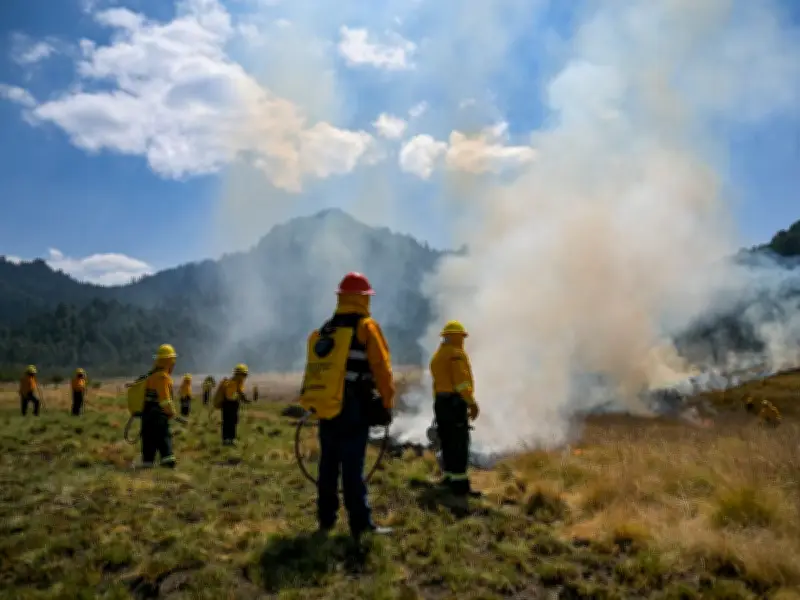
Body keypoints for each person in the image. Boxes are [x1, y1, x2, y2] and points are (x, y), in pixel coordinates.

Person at [299, 272, 395, 541]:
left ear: (341, 297)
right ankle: (361, 526)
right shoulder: (366, 327)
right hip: (354, 406)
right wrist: (387, 402)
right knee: (353, 465)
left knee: (328, 463)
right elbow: (382, 369)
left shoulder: (327, 329)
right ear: (363, 298)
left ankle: (326, 520)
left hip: (328, 404)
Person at [429, 320, 481, 498]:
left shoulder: (439, 355)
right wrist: (471, 402)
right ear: (456, 337)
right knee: (459, 443)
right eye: (461, 337)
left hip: (441, 404)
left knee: (447, 442)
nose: (463, 341)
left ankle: (449, 478)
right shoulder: (456, 354)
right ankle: (460, 487)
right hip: (454, 403)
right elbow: (461, 382)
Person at [140, 344, 179, 468]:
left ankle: (147, 462)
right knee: (163, 437)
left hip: (146, 414)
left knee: (148, 439)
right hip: (158, 415)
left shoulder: (150, 376)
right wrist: (171, 413)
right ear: (169, 361)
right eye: (173, 361)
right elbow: (165, 400)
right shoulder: (163, 377)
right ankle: (168, 462)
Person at [217, 364, 250, 446]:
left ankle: (230, 439)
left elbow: (240, 392)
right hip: (229, 405)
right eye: (244, 374)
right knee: (229, 422)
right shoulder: (232, 383)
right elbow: (230, 396)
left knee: (233, 422)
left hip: (233, 405)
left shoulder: (238, 382)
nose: (245, 377)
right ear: (239, 374)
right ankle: (228, 439)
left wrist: (244, 399)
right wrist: (239, 398)